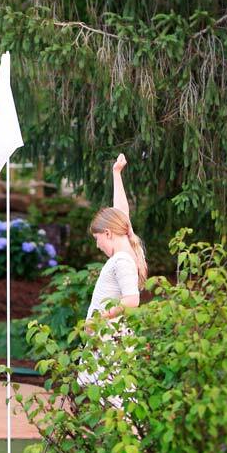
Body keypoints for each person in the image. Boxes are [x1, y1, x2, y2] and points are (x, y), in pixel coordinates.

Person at [80, 153, 148, 404]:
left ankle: (129, 442)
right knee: (105, 403)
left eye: (98, 239)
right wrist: (116, 173)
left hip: (109, 340)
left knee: (114, 405)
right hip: (105, 338)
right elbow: (121, 212)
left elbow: (132, 300)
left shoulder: (121, 260)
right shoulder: (125, 246)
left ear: (108, 233)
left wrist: (100, 317)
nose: (97, 245)